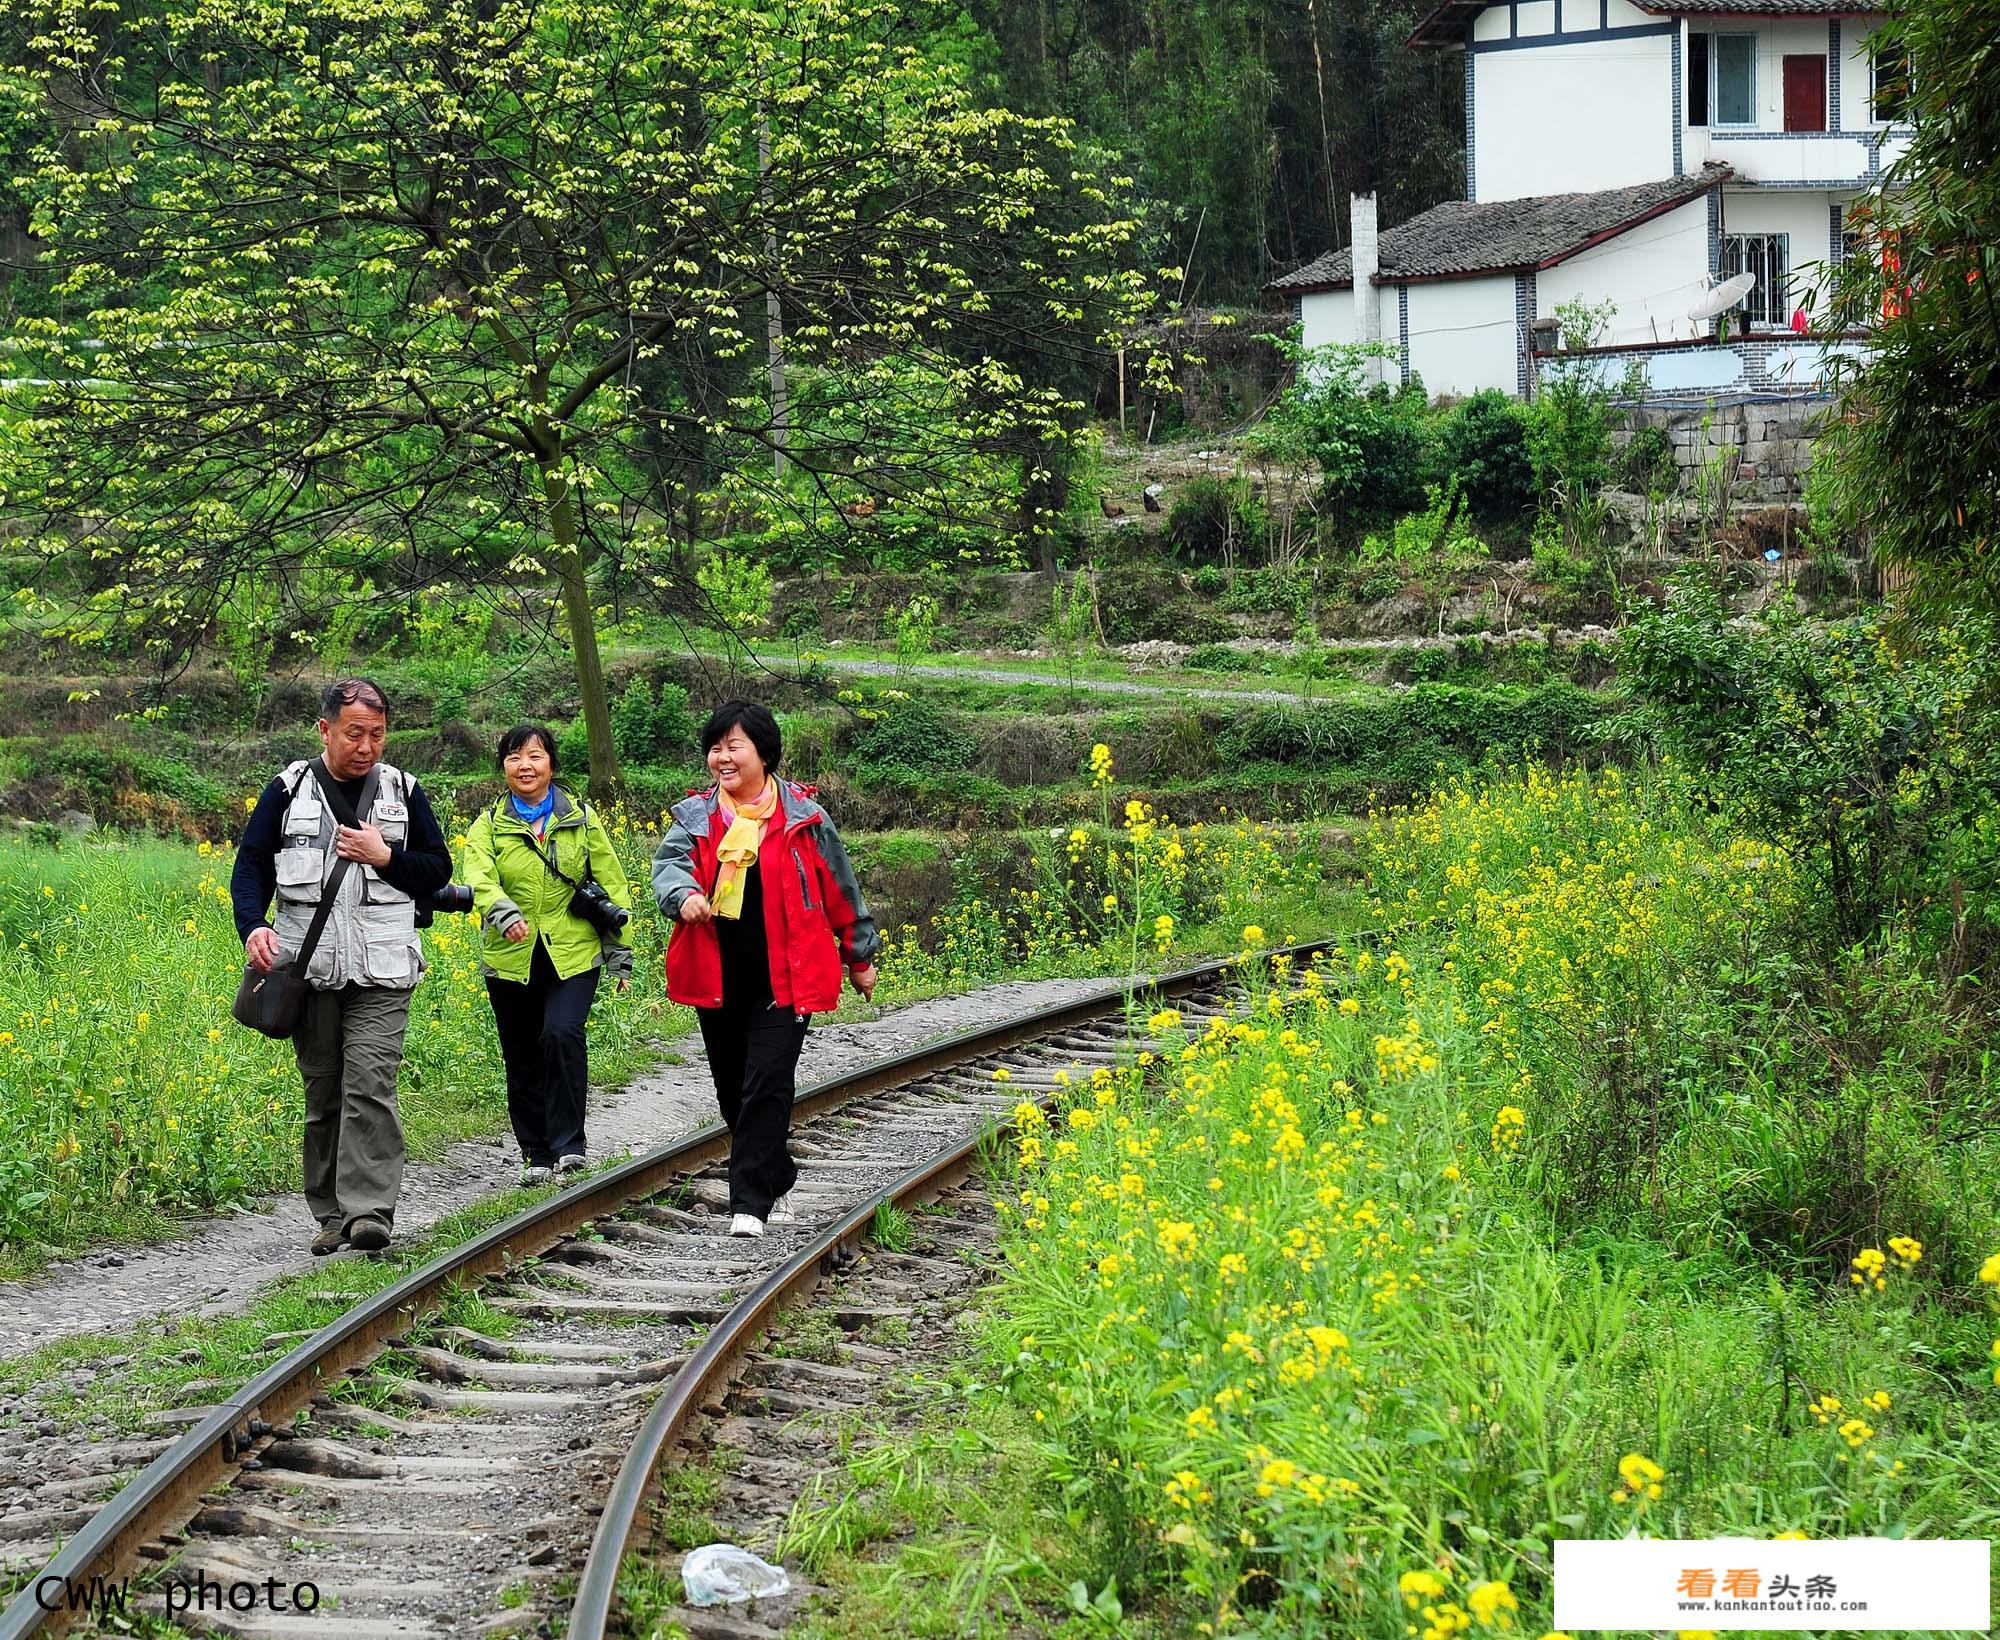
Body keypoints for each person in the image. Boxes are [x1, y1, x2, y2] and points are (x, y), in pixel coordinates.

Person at [231, 678, 453, 1255]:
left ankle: (369, 1212)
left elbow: (435, 869)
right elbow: (251, 865)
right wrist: (254, 924)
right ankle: (329, 1212)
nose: (367, 746)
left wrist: (386, 857)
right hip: (309, 968)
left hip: (383, 970)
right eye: (354, 734)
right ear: (325, 730)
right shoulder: (288, 789)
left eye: (377, 735)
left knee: (371, 1085)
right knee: (325, 1089)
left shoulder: (404, 792)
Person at [651, 701, 879, 1238]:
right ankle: (776, 1173)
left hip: (787, 977)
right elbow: (669, 868)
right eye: (715, 747)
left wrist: (859, 956)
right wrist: (682, 895)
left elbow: (841, 890)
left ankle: (748, 1203)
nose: (721, 758)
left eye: (734, 747)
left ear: (764, 753)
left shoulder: (805, 820)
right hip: (718, 975)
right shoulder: (696, 818)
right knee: (734, 1089)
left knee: (767, 1083)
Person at [462, 725, 634, 1186]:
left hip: (572, 950)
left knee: (561, 1034)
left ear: (551, 764)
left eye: (535, 757)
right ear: (504, 767)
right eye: (515, 757)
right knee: (521, 1052)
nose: (525, 766)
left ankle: (569, 1145)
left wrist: (620, 954)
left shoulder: (579, 817)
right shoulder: (489, 824)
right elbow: (478, 874)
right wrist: (502, 912)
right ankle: (535, 1153)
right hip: (511, 953)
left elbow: (611, 884)